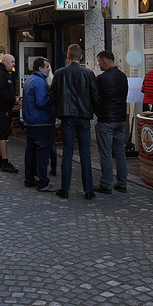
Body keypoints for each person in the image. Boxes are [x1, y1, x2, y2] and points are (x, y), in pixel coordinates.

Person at [49, 44, 99, 200]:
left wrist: (60, 108)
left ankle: (65, 189)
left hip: (67, 116)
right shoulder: (88, 74)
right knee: (85, 153)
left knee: (67, 152)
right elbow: (95, 96)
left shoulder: (60, 73)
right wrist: (91, 110)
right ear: (81, 57)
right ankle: (88, 190)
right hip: (83, 116)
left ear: (68, 57)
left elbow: (53, 95)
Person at [94, 50, 129, 194]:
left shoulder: (102, 79)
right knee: (120, 152)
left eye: (99, 62)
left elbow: (96, 97)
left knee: (106, 153)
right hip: (120, 119)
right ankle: (122, 183)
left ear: (104, 61)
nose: (99, 64)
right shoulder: (123, 77)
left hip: (107, 119)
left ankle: (106, 184)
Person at [22, 57, 56, 192]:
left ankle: (29, 179)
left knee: (30, 152)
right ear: (40, 69)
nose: (49, 70)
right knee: (42, 153)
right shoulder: (40, 82)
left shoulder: (29, 80)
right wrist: (52, 97)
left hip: (30, 121)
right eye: (47, 67)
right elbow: (41, 102)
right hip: (41, 122)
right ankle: (43, 182)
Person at [0, 54, 19, 173]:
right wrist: (12, 100)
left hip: (2, 108)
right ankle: (4, 161)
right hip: (1, 109)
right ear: (5, 62)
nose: (13, 64)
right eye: (11, 62)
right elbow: (0, 91)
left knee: (0, 134)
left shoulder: (2, 73)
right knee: (3, 135)